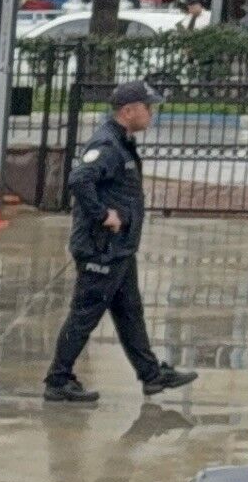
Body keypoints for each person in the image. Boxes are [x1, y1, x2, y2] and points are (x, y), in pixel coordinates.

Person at [45, 80, 196, 405]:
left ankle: (152, 376)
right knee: (84, 315)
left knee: (130, 313)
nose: (151, 113)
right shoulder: (108, 145)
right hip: (102, 248)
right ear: (129, 111)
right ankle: (58, 380)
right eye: (148, 107)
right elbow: (79, 179)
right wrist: (103, 216)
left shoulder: (122, 141)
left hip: (119, 249)